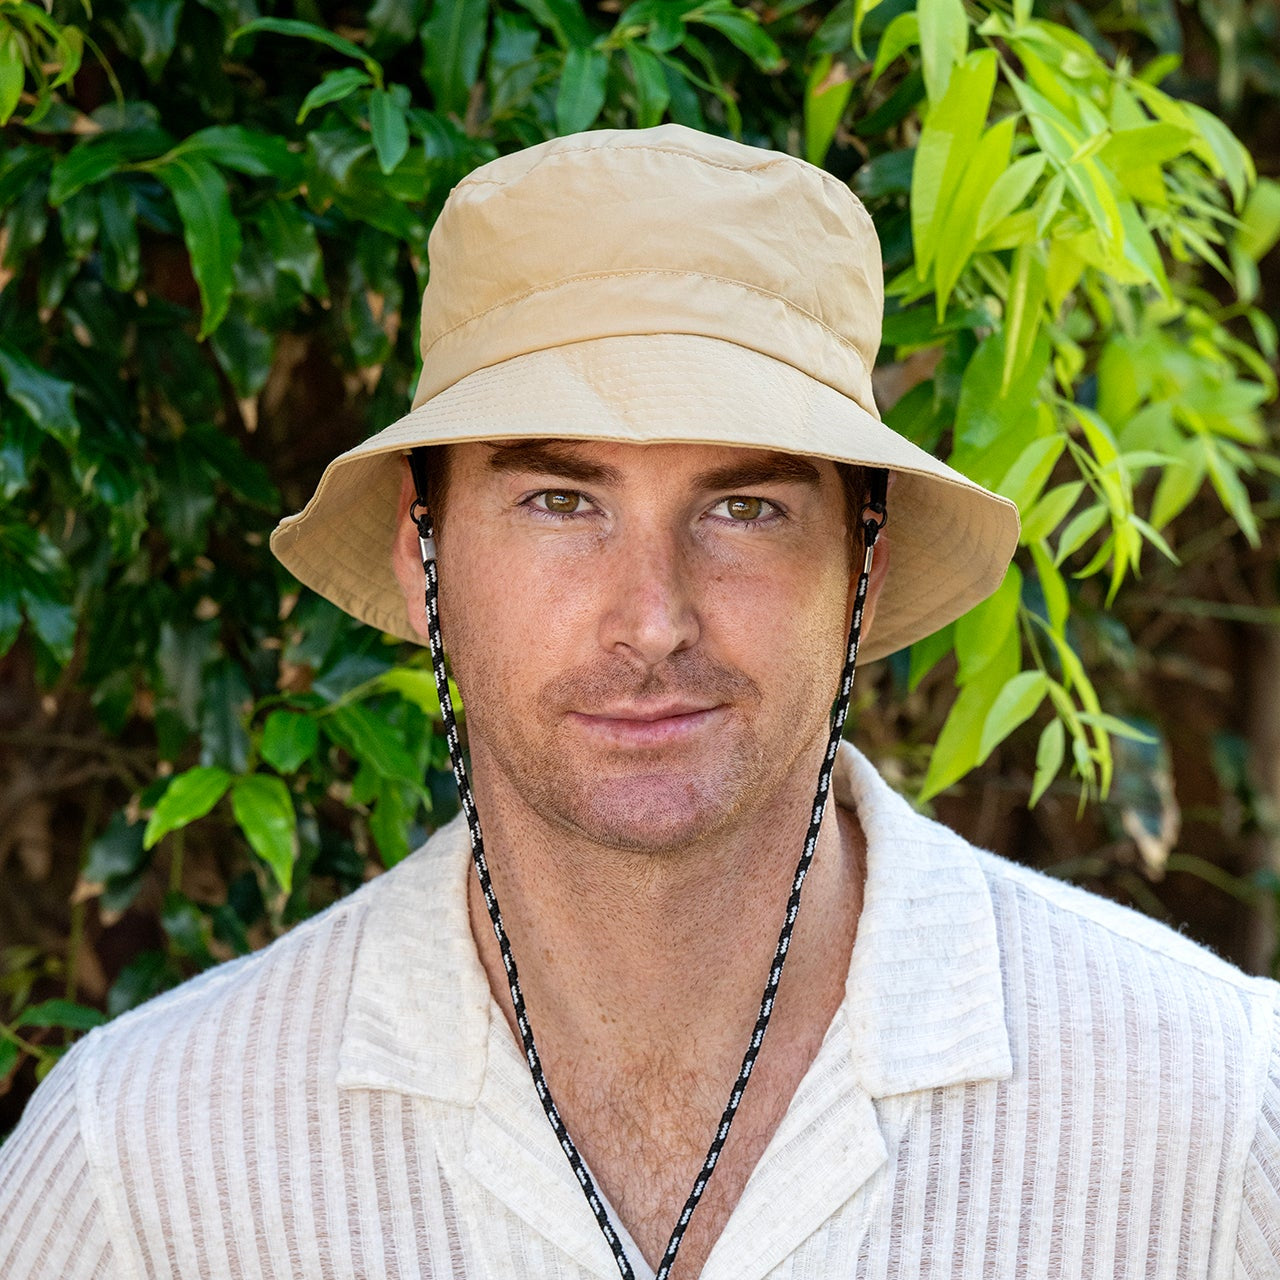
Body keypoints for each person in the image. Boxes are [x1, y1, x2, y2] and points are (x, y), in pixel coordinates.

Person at [1, 123, 1278, 1280]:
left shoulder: (1213, 1111)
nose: (652, 618)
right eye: (561, 502)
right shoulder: (145, 1164)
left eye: (743, 508)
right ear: (422, 552)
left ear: (861, 566)